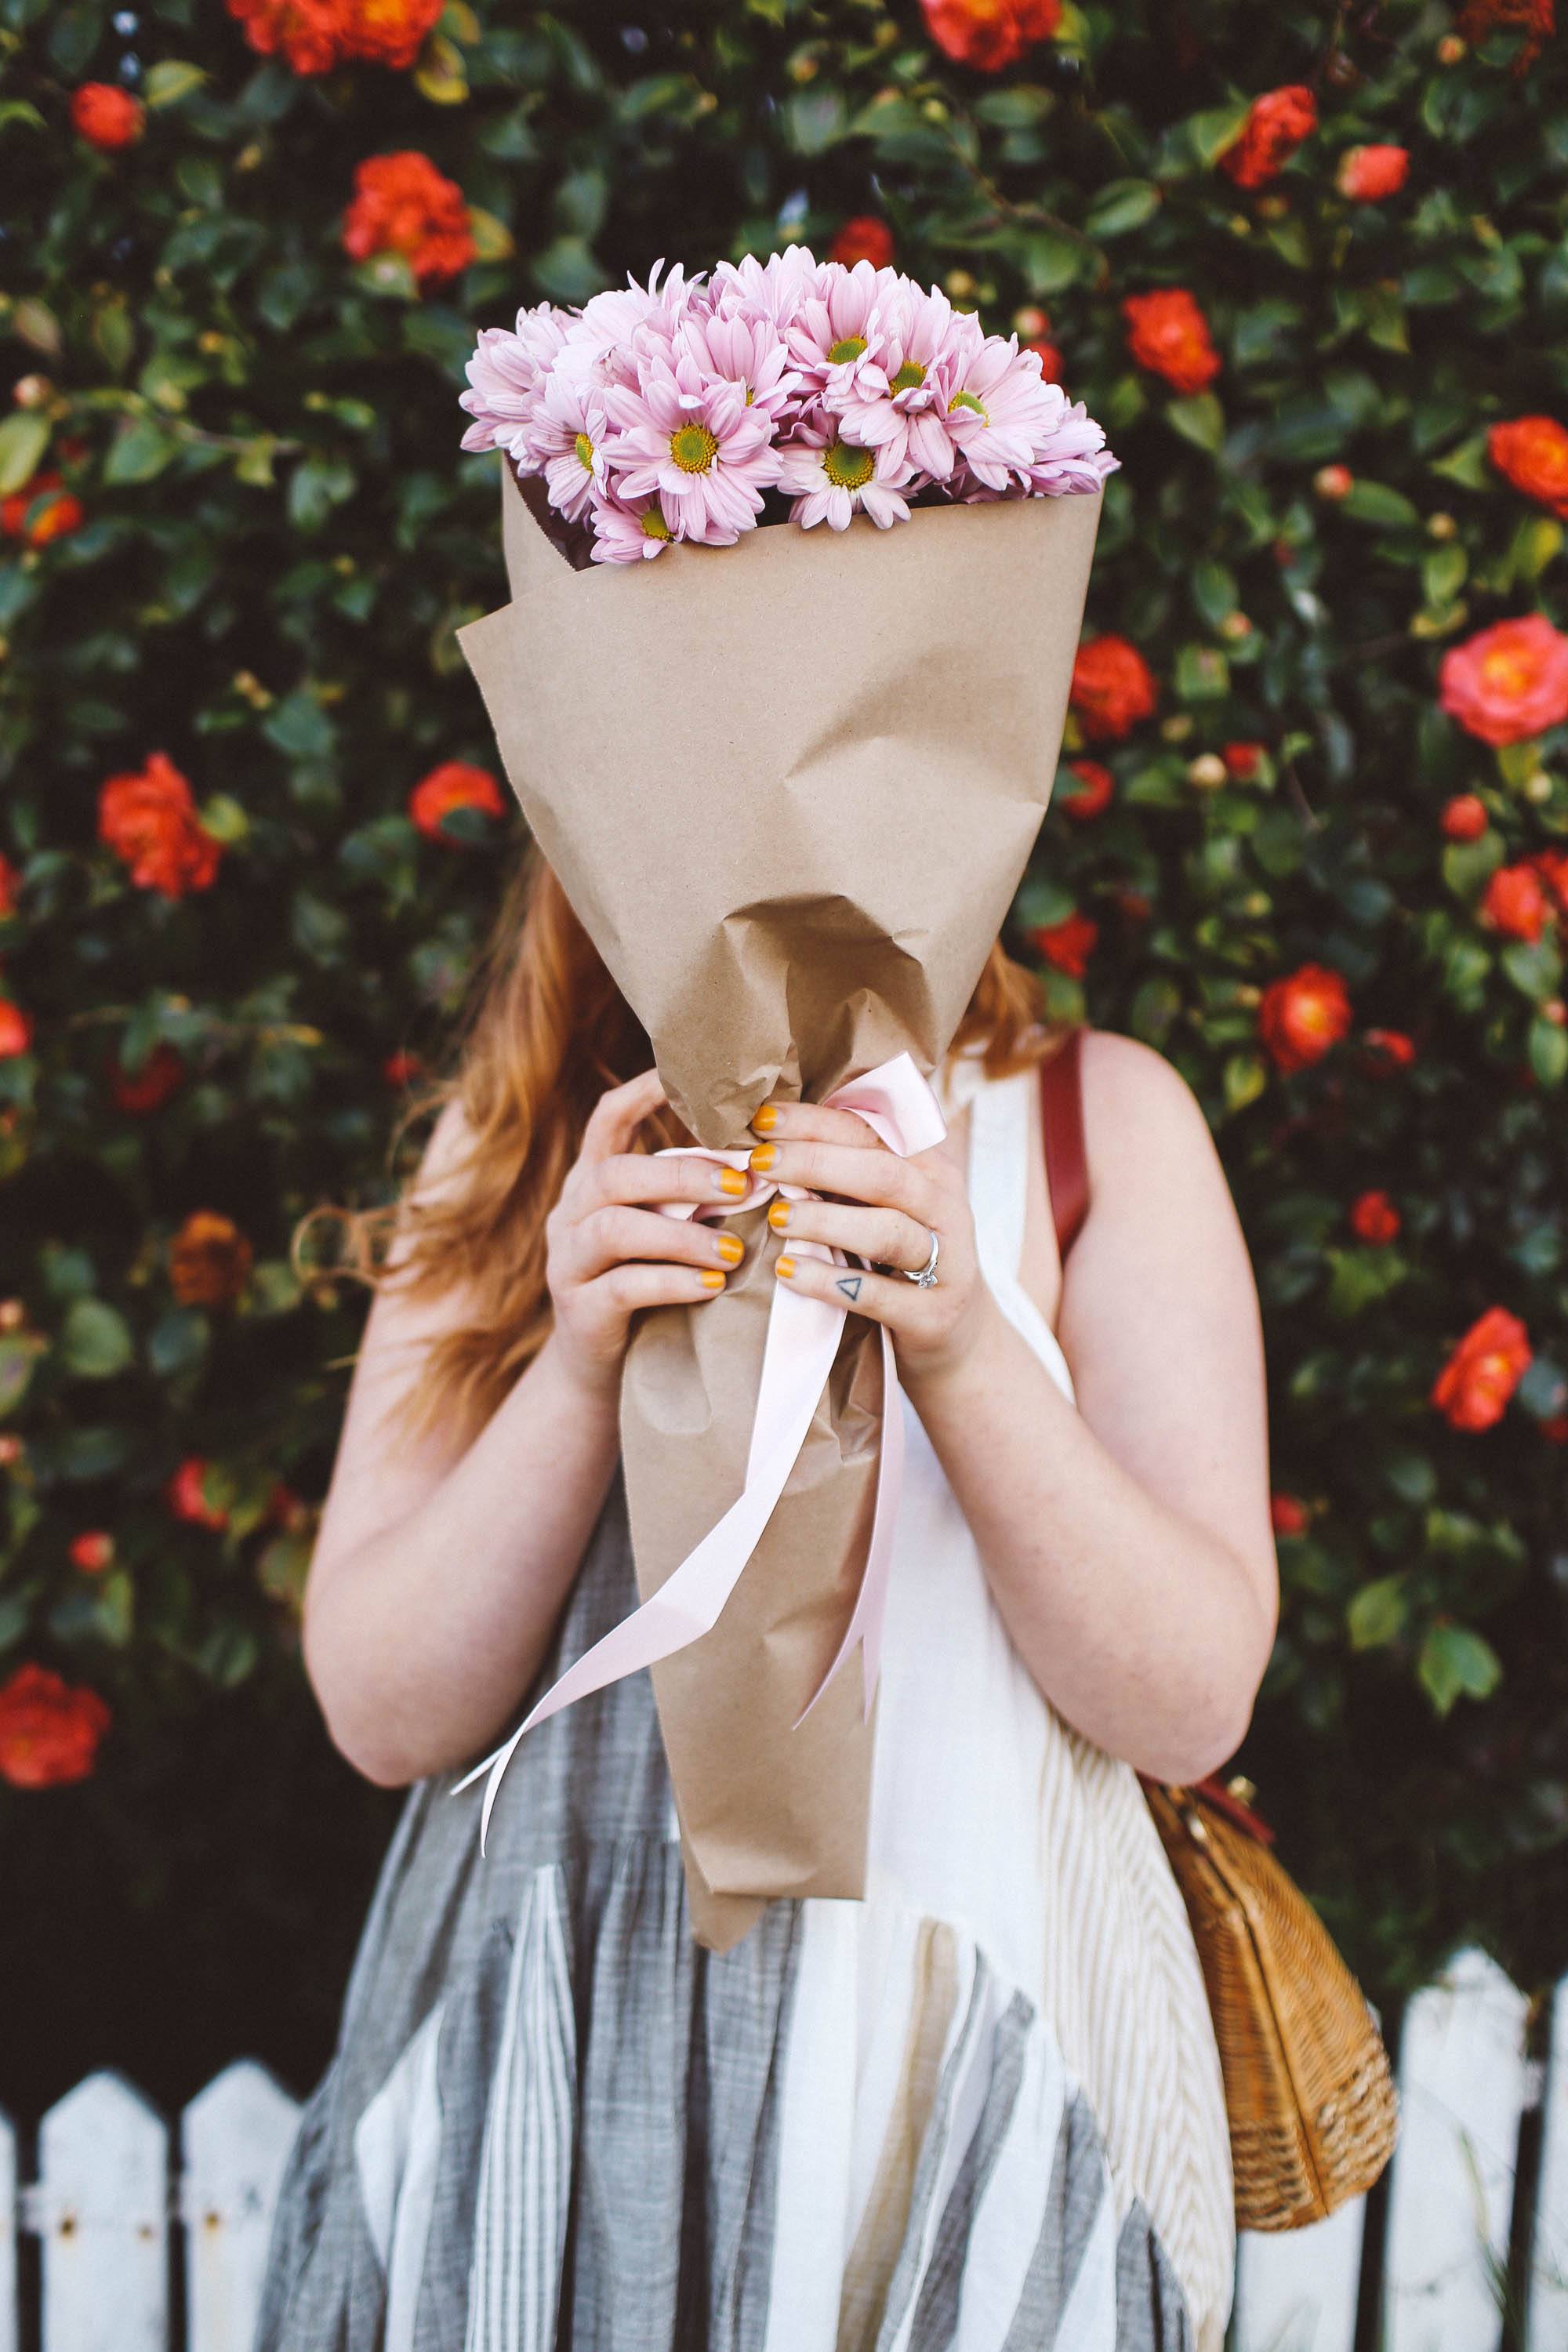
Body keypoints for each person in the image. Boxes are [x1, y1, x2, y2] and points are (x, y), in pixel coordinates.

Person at [256, 847, 1278, 2352]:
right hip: (547, 2063)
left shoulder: (1092, 1119)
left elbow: (1189, 1701)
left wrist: (962, 1345)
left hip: (955, 2081)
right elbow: (381, 1706)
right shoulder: (523, 1143)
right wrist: (577, 1363)